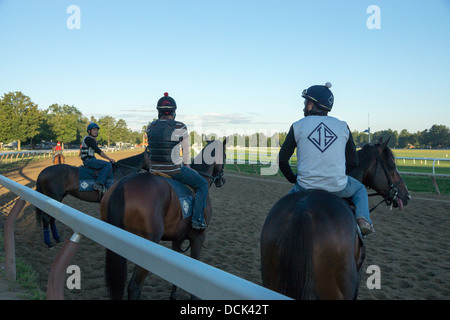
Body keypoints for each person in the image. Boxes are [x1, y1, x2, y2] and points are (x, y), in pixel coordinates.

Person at [278, 82, 375, 236]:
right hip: (338, 186)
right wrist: (337, 175)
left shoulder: (298, 126)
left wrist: (292, 178)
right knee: (360, 189)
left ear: (314, 104)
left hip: (305, 186)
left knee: (281, 212)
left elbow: (282, 160)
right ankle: (363, 220)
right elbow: (353, 161)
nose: (304, 105)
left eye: (306, 101)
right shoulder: (343, 126)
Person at [146, 92, 208, 230]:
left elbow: (150, 149)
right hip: (173, 170)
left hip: (153, 170)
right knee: (203, 184)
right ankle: (197, 220)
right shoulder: (180, 126)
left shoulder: (150, 127)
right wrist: (187, 165)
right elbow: (185, 151)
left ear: (159, 112)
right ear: (174, 112)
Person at [80, 122, 116, 193]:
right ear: (89, 131)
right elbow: (99, 152)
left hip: (91, 159)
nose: (96, 131)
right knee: (107, 164)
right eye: (94, 129)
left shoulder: (91, 139)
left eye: (97, 130)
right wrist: (109, 159)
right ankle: (98, 184)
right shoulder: (89, 139)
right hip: (88, 161)